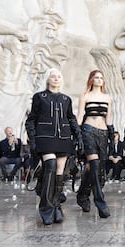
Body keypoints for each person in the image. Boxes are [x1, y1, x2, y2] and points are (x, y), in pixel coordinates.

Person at [25, 68, 83, 225]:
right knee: (50, 165)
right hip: (45, 137)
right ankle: (46, 207)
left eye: (59, 76)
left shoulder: (66, 99)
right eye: (53, 76)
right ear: (47, 79)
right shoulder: (39, 97)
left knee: (60, 172)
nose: (56, 78)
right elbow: (31, 120)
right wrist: (33, 139)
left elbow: (71, 119)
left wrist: (78, 136)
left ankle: (56, 205)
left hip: (63, 138)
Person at [75, 69, 113, 218]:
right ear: (91, 79)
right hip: (88, 130)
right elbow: (79, 117)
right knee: (95, 164)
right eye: (96, 77)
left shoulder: (108, 98)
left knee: (96, 168)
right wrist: (76, 135)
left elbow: (109, 118)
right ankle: (100, 202)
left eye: (101, 78)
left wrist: (111, 135)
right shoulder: (85, 96)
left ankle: (82, 195)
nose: (99, 80)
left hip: (103, 133)